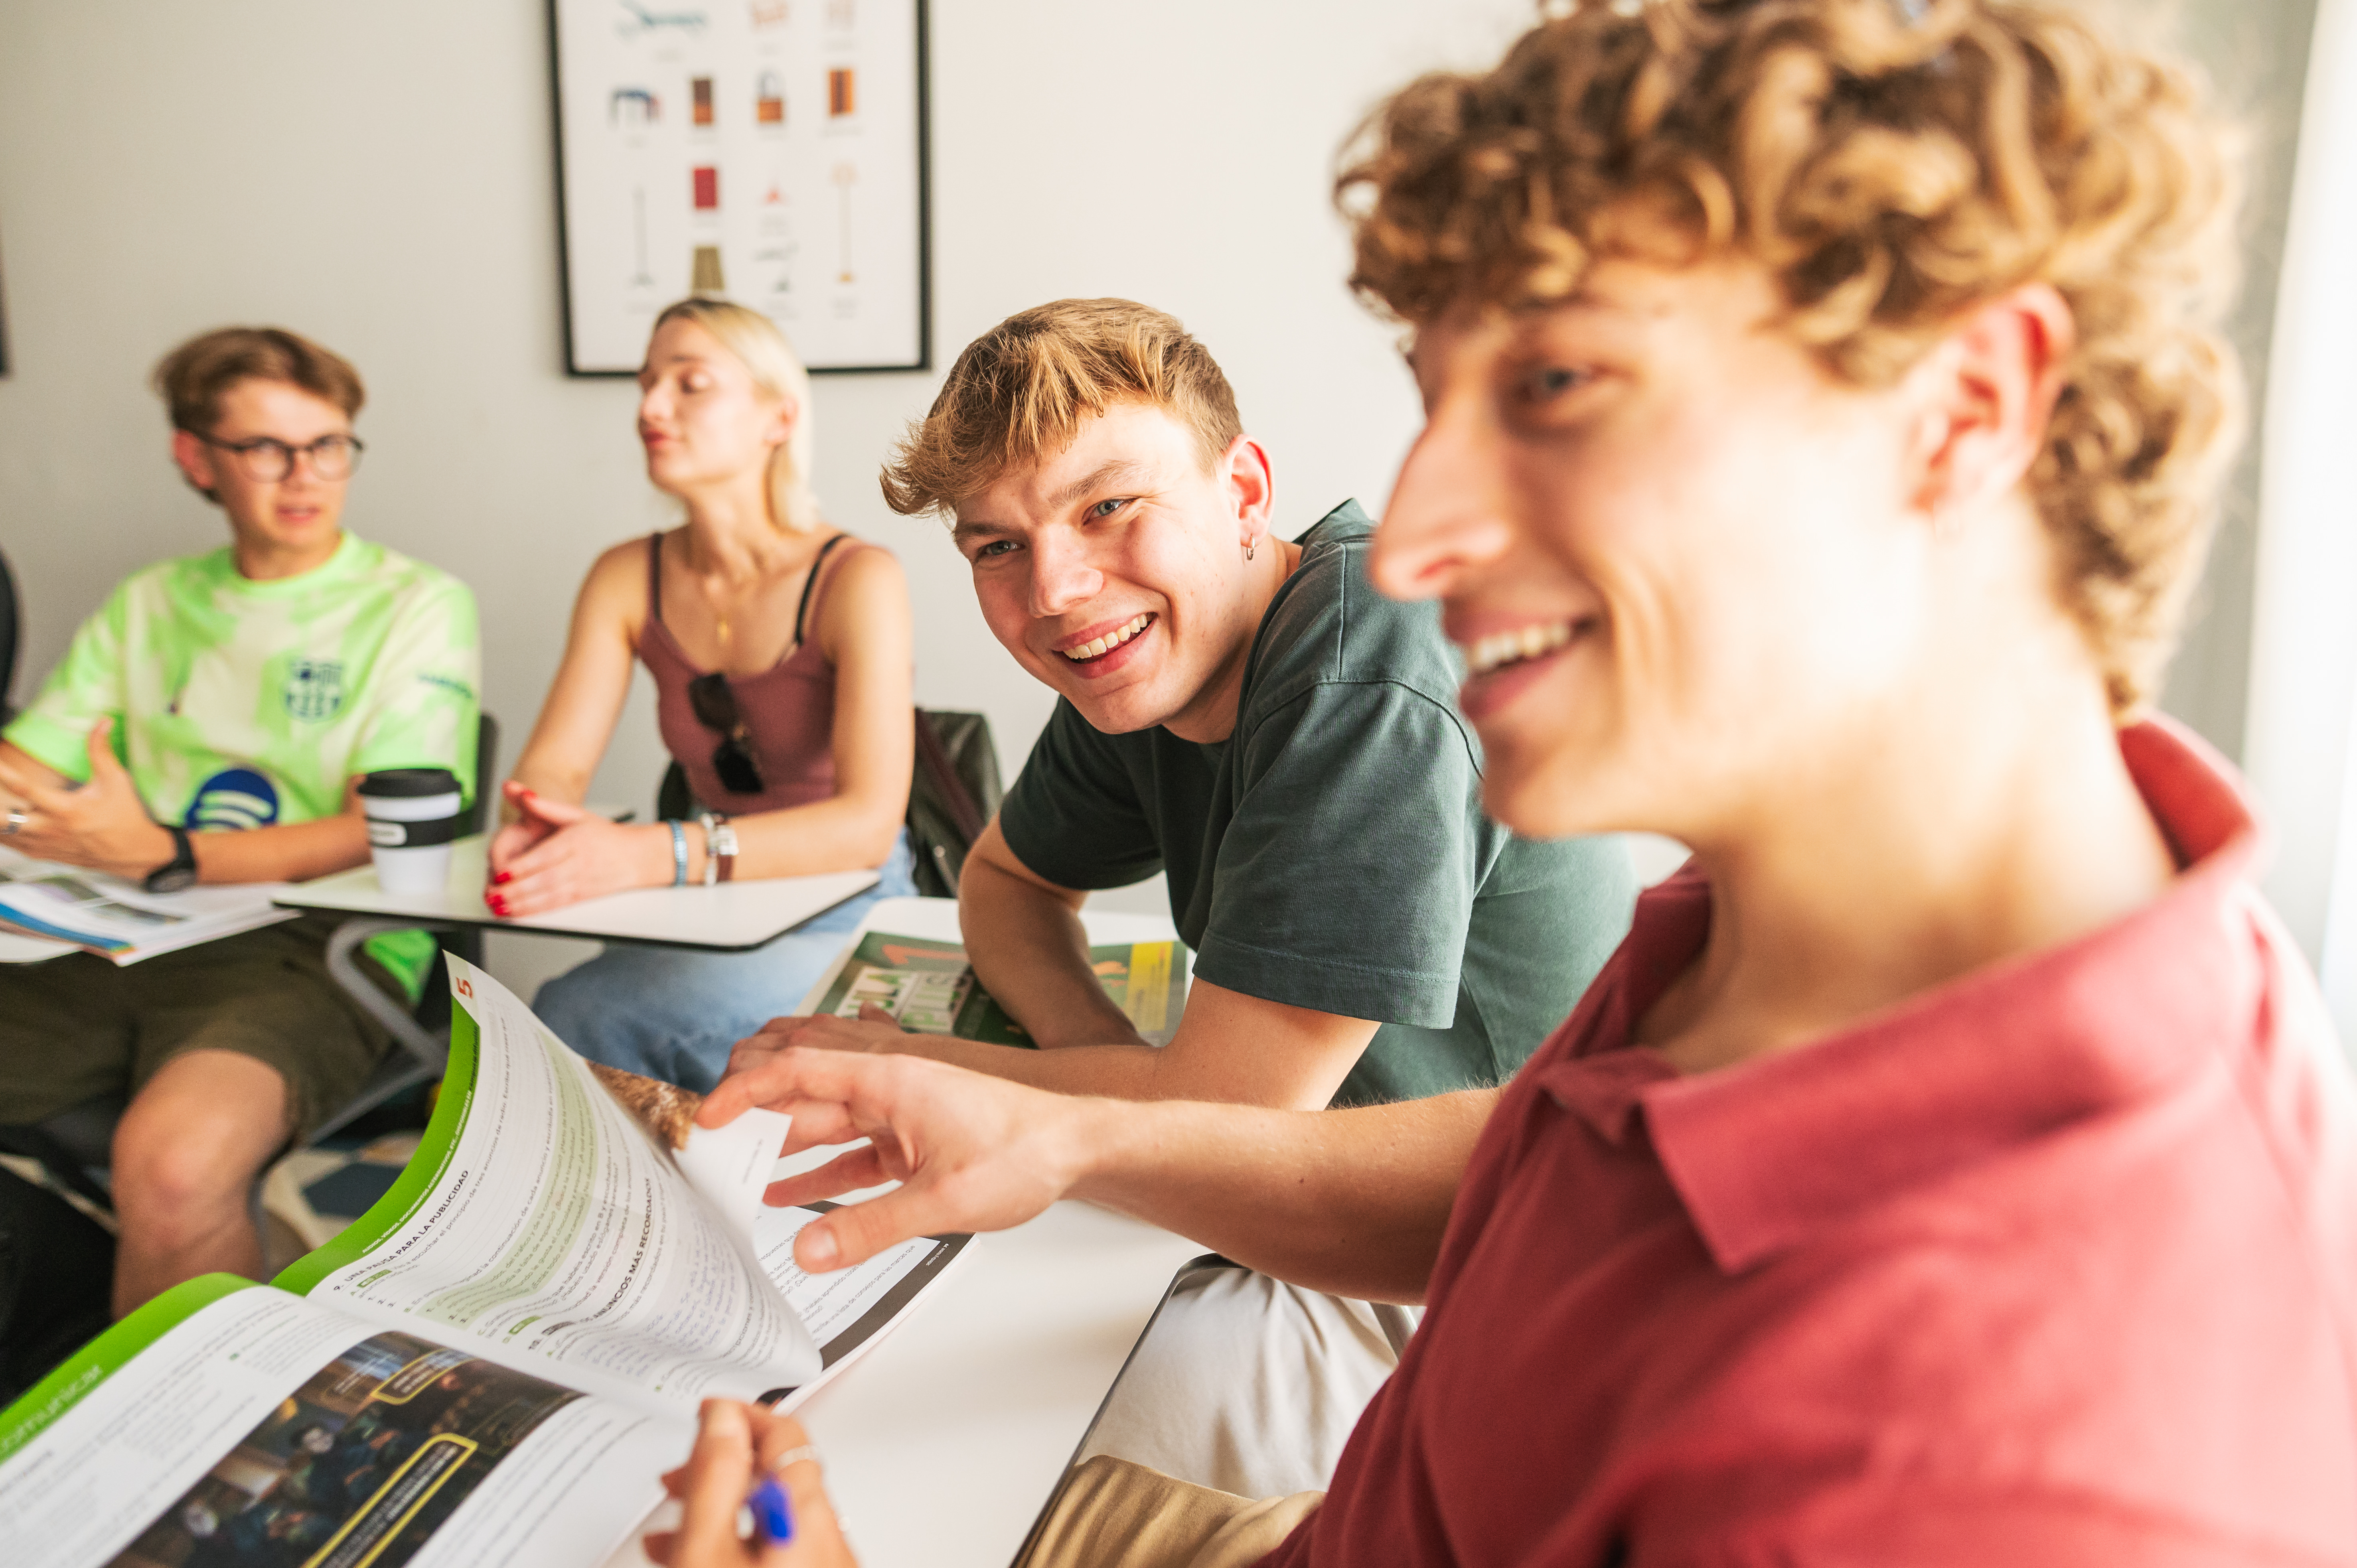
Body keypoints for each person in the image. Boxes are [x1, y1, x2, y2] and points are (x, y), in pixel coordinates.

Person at [656, 1, 2356, 1564]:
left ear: (1962, 410)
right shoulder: (1781, 926)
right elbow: (1551, 1175)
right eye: (1434, 401)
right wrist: (1060, 1121)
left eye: (1554, 385)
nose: (1409, 530)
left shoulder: (1994, 1452)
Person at [738, 297, 1636, 1493]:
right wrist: (1102, 1053)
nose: (1056, 588)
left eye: (1108, 506)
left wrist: (903, 1065)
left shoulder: (1366, 661)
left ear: (1246, 490)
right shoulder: (1142, 659)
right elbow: (1006, 883)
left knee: (949, 1427)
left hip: (1485, 1277)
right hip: (1279, 1197)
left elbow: (1225, 1110)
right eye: (995, 546)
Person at [0, 327, 479, 1318]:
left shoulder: (415, 606)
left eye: (328, 444)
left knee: (173, 1166)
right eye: (267, 447)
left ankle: (187, 1448)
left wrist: (165, 850)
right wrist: (82, 831)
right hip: (117, 925)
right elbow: (31, 770)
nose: (305, 476)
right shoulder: (152, 604)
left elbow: (374, 826)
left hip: (316, 942)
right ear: (196, 458)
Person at [491, 298, 917, 1091]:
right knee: (549, 1024)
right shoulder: (625, 575)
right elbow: (554, 765)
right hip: (702, 901)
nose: (651, 407)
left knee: (574, 1012)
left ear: (777, 417)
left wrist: (653, 852)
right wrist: (534, 821)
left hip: (847, 907)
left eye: (691, 383)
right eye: (647, 383)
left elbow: (864, 828)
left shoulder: (859, 578)